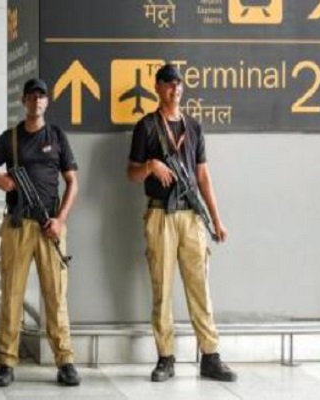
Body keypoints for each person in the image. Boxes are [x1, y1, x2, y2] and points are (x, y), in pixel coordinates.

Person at [127, 64, 237, 382]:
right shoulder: (146, 126)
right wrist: (151, 165)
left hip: (191, 216)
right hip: (160, 214)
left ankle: (210, 356)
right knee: (162, 289)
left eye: (179, 83)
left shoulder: (194, 127)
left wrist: (216, 219)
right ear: (158, 87)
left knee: (200, 287)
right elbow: (131, 173)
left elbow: (203, 176)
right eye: (169, 83)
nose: (175, 88)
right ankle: (166, 357)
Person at [0, 78, 81, 387]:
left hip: (50, 227)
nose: (37, 100)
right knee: (11, 295)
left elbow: (72, 183)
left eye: (41, 96)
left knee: (56, 296)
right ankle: (6, 362)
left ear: (47, 101)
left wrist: (60, 219)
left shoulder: (56, 136)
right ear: (23, 101)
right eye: (32, 96)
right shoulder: (9, 138)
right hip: (17, 226)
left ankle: (65, 361)